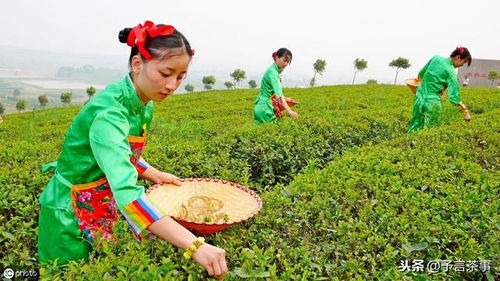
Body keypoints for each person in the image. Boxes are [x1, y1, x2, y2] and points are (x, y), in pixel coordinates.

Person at [37, 21, 227, 278]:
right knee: (65, 273)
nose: (172, 85)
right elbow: (127, 192)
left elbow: (121, 152)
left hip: (98, 203)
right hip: (69, 213)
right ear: (137, 64)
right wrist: (195, 245)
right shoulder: (110, 114)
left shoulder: (143, 101)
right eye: (165, 73)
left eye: (180, 77)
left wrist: (153, 173)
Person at [408, 47, 472, 134]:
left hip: (419, 98)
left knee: (415, 125)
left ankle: (409, 144)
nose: (462, 65)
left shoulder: (436, 58)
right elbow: (454, 97)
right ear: (458, 57)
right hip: (432, 102)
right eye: (463, 62)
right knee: (430, 130)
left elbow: (421, 73)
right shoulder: (451, 73)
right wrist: (465, 111)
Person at [253, 48, 299, 124]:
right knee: (273, 132)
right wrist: (290, 111)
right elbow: (279, 96)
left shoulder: (272, 70)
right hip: (265, 108)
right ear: (277, 57)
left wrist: (286, 98)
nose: (286, 64)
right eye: (284, 60)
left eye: (288, 62)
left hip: (260, 107)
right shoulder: (273, 73)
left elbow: (272, 92)